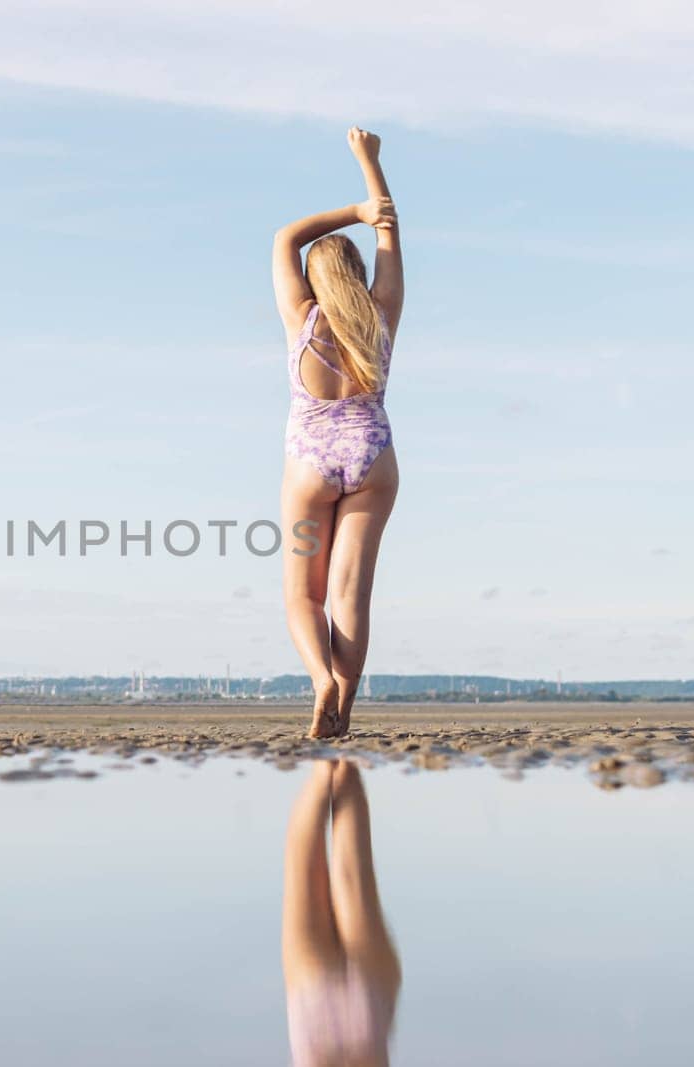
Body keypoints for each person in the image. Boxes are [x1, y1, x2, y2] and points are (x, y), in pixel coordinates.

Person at [271, 127, 405, 739]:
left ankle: (320, 680)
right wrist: (369, 166)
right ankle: (343, 711)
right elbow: (388, 231)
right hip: (371, 456)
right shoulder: (379, 315)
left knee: (305, 594)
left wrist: (351, 208)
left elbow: (285, 237)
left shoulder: (302, 316)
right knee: (351, 596)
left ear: (314, 277)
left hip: (310, 462)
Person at [282, 760, 401, 1066]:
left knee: (352, 871)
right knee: (304, 863)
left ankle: (342, 758)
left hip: (367, 1019)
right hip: (314, 1018)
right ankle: (326, 763)